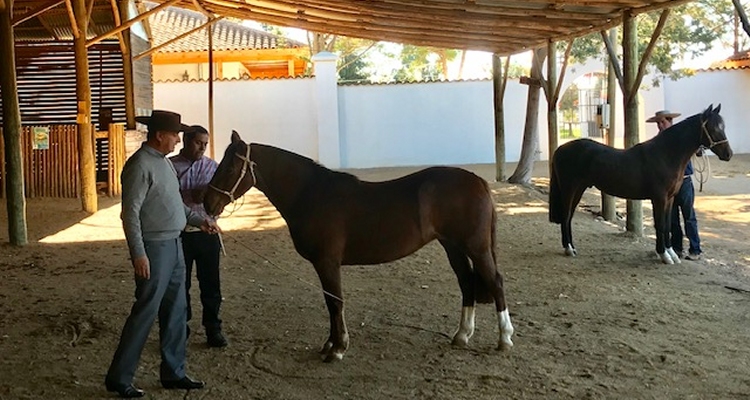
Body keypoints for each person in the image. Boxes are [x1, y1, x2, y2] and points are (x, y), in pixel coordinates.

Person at [105, 110, 220, 398]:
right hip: (155, 249)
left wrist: (198, 220)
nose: (177, 140)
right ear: (160, 136)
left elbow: (174, 205)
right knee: (146, 311)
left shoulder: (163, 164)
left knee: (177, 311)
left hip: (175, 246)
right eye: (174, 135)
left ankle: (174, 371)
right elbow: (129, 213)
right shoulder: (140, 165)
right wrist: (138, 254)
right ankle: (120, 377)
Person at [169, 125, 228, 348]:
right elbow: (166, 198)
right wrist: (186, 195)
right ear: (185, 141)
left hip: (207, 234)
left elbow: (221, 202)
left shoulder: (213, 168)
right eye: (198, 143)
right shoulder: (171, 167)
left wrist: (212, 201)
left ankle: (213, 329)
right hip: (180, 234)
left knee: (211, 285)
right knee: (180, 285)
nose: (202, 148)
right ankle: (180, 329)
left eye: (205, 144)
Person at [646, 109, 702, 261]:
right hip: (665, 183)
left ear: (670, 121)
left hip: (683, 180)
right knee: (672, 218)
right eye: (658, 123)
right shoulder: (658, 141)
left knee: (688, 215)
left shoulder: (682, 138)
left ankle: (695, 249)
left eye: (663, 122)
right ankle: (676, 247)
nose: (660, 125)